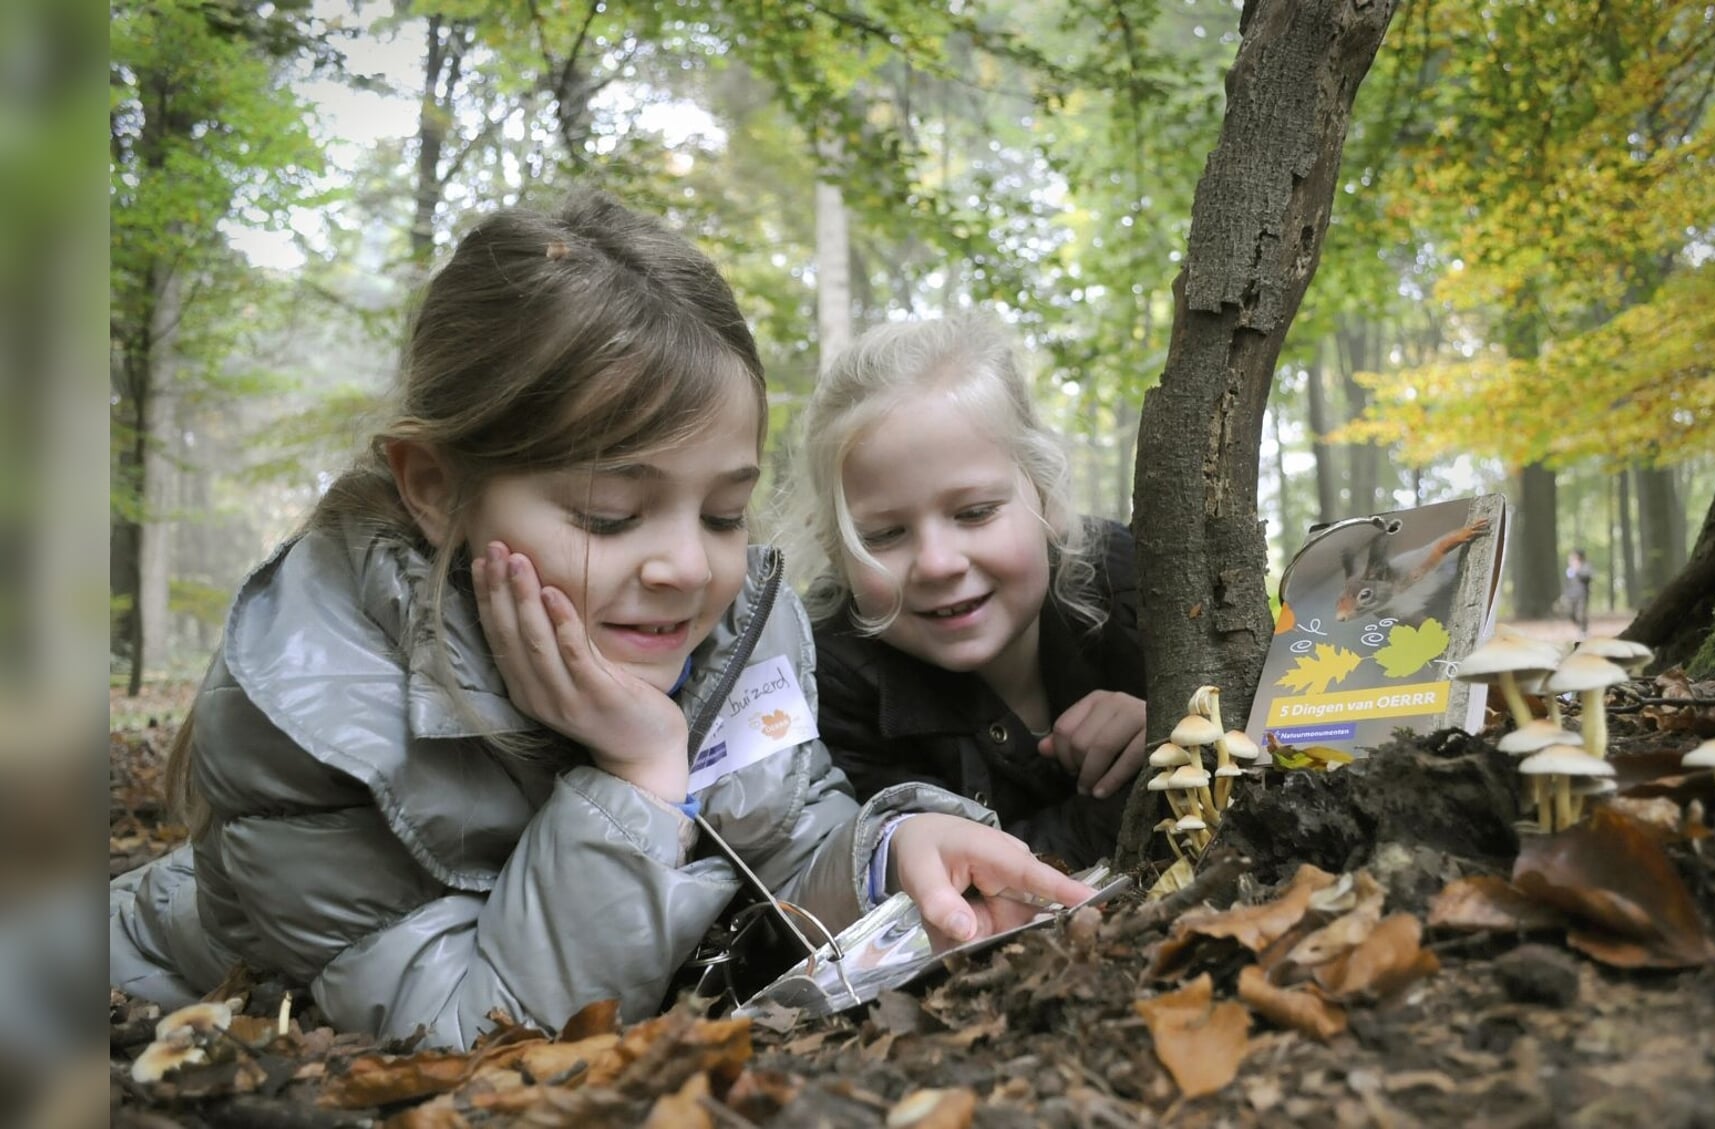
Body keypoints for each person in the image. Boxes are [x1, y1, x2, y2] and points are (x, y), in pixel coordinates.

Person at [108, 192, 1090, 1049]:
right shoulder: (315, 709)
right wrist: (635, 775)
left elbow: (787, 835)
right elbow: (467, 1036)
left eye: (722, 512)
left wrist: (892, 849)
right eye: (610, 516)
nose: (686, 568)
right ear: (440, 490)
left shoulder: (737, 626)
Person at [790, 312, 1146, 869]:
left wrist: (1175, 721)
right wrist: (1150, 786)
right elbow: (964, 878)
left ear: (1047, 497)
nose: (936, 563)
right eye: (883, 535)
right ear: (837, 550)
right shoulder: (828, 687)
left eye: (975, 513)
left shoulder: (1130, 581)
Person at [1564, 549, 1594, 634]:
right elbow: (1567, 581)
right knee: (1570, 614)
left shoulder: (1586, 566)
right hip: (1571, 595)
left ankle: (1583, 630)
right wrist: (1565, 593)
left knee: (1581, 614)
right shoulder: (1570, 568)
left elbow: (1587, 578)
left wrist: (1578, 570)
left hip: (1582, 594)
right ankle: (1580, 626)